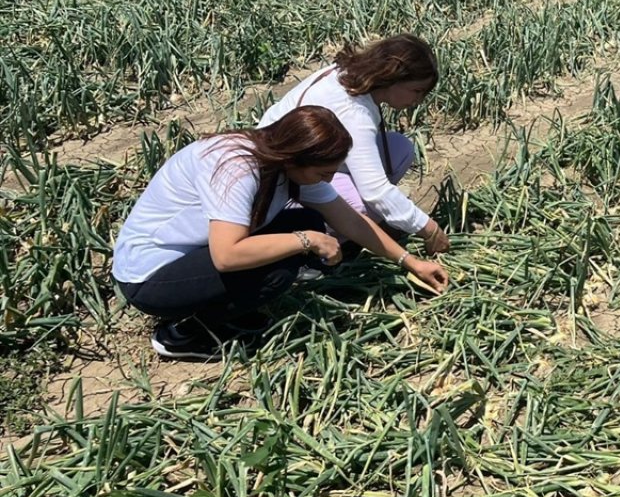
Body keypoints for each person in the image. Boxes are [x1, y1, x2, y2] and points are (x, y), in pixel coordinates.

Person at [112, 105, 450, 359]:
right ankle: (182, 334)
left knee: (308, 225)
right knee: (282, 264)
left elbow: (350, 221)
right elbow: (227, 256)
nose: (330, 180)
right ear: (295, 158)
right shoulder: (237, 168)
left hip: (195, 256)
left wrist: (410, 262)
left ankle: (228, 308)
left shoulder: (285, 165)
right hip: (150, 275)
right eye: (324, 172)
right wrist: (306, 241)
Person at [257, 33, 450, 258]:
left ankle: (368, 226)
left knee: (399, 148)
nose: (417, 101)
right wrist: (429, 230)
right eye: (416, 91)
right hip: (282, 186)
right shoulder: (354, 112)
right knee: (356, 206)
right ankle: (309, 251)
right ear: (393, 77)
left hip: (311, 162)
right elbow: (376, 191)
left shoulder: (347, 74)